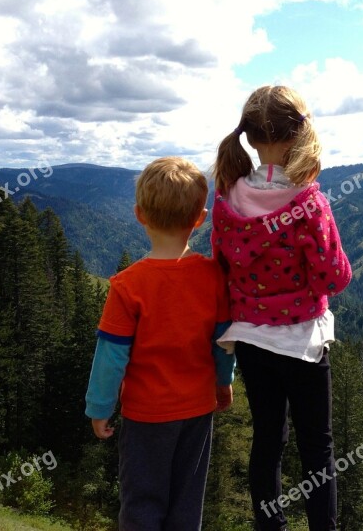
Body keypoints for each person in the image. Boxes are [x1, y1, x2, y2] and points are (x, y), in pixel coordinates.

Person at [211, 85, 352, 531]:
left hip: (251, 340)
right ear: (297, 136)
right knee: (318, 447)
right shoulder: (308, 202)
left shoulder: (228, 199)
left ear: (250, 139)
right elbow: (334, 277)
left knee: (268, 442)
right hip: (303, 342)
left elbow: (220, 267)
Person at [85, 156, 235, 531]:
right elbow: (223, 341)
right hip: (198, 410)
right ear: (199, 218)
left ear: (139, 214)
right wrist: (224, 382)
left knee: (143, 505)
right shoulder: (212, 277)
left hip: (146, 415)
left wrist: (99, 407)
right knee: (186, 505)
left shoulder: (127, 286)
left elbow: (111, 355)